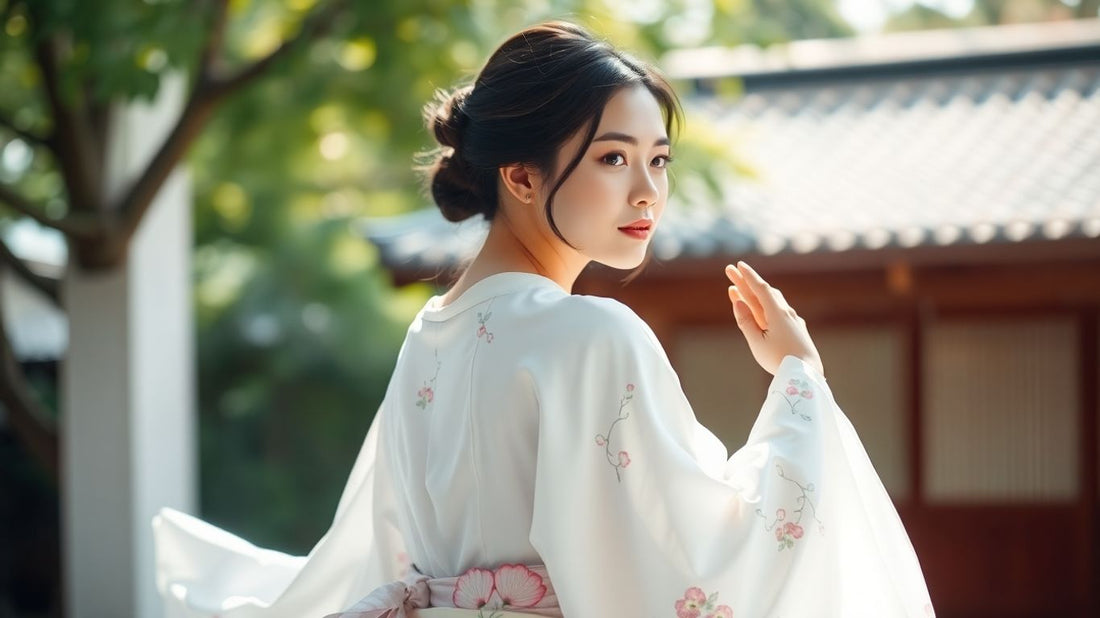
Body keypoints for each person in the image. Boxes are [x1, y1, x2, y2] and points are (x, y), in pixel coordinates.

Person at [153, 21, 934, 618]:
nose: (647, 193)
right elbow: (706, 556)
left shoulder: (429, 337)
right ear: (521, 175)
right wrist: (800, 382)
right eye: (611, 158)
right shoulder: (594, 336)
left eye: (658, 159)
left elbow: (372, 553)